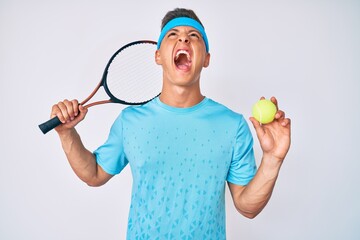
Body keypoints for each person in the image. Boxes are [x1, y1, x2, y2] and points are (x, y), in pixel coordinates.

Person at [50, 8, 291, 239]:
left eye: (193, 36)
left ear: (206, 59)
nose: (183, 40)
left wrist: (273, 158)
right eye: (173, 35)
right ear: (158, 55)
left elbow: (247, 206)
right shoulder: (131, 121)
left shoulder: (233, 125)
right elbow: (94, 174)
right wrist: (66, 134)